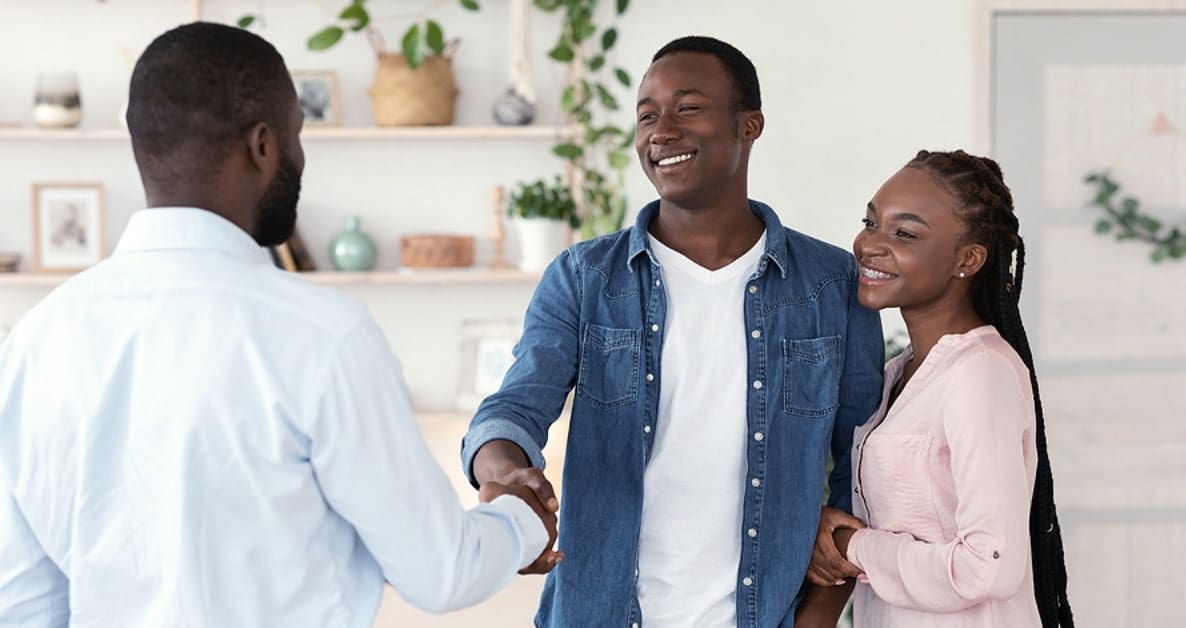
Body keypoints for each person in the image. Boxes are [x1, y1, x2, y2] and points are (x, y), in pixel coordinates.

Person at [0, 22, 554, 628]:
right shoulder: (323, 337)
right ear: (264, 145)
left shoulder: (38, 338)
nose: (299, 157)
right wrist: (523, 518)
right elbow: (441, 571)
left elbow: (23, 603)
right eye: (296, 136)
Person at [461, 36, 884, 628]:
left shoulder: (831, 284)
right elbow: (514, 407)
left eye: (687, 108)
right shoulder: (584, 278)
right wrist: (503, 473)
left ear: (749, 125)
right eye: (646, 114)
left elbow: (865, 470)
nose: (660, 130)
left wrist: (814, 621)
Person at [802, 150, 1074, 626]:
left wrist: (855, 546)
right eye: (870, 222)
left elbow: (988, 566)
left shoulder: (980, 373)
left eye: (904, 233)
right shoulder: (901, 373)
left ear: (967, 259)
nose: (870, 244)